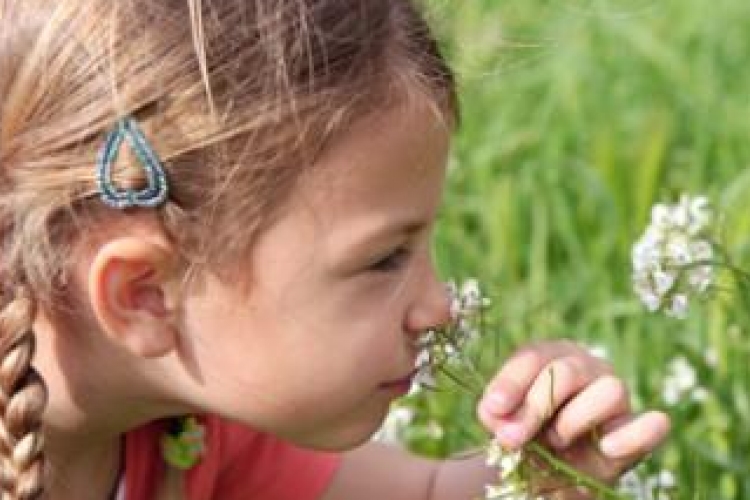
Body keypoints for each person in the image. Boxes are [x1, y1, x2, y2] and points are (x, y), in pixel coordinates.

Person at [0, 1, 670, 499]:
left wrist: (538, 471)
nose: (438, 307)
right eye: (384, 260)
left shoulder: (184, 436)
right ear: (144, 294)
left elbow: (430, 494)